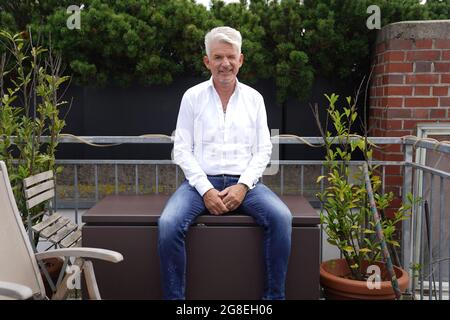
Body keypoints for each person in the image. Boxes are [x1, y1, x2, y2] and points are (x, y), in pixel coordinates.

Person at [158, 26, 292, 300]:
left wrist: (243, 186)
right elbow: (182, 149)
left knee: (282, 218)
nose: (225, 64)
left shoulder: (255, 99)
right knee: (168, 224)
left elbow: (264, 149)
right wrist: (206, 190)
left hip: (246, 185)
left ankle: (273, 299)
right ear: (207, 61)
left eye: (230, 57)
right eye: (218, 57)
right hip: (198, 184)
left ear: (241, 59)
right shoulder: (192, 97)